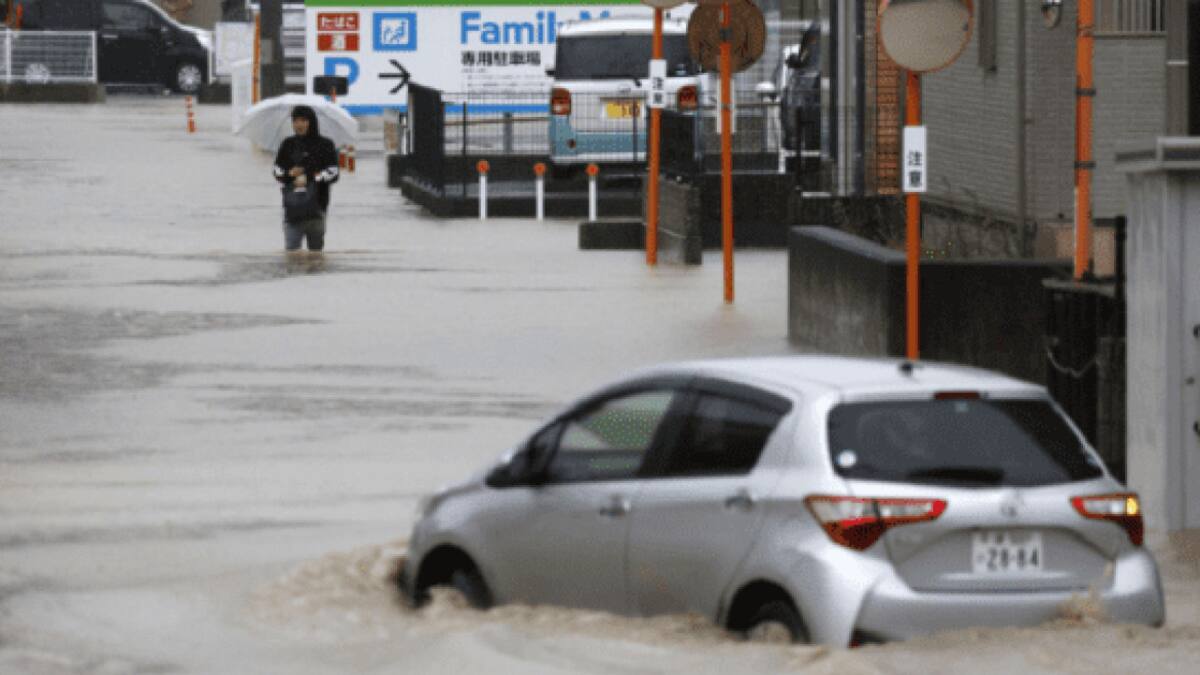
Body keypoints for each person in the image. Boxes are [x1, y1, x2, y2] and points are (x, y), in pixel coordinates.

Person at [273, 105, 339, 252]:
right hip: (292, 209)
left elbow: (333, 172)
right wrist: (288, 175)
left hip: (317, 208)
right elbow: (277, 170)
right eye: (295, 121)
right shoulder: (287, 144)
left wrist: (312, 177)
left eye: (303, 120)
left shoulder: (325, 145)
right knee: (291, 253)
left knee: (316, 256)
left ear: (311, 121)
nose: (299, 125)